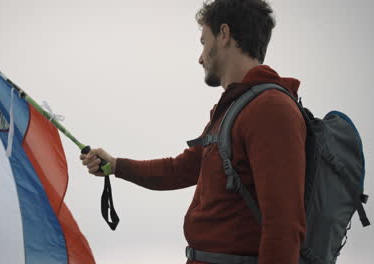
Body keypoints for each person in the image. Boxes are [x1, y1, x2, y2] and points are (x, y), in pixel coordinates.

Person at [80, 0, 307, 263]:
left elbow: (284, 226)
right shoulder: (233, 109)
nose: (200, 57)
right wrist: (116, 166)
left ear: (224, 34)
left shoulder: (271, 109)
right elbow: (179, 170)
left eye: (203, 41)